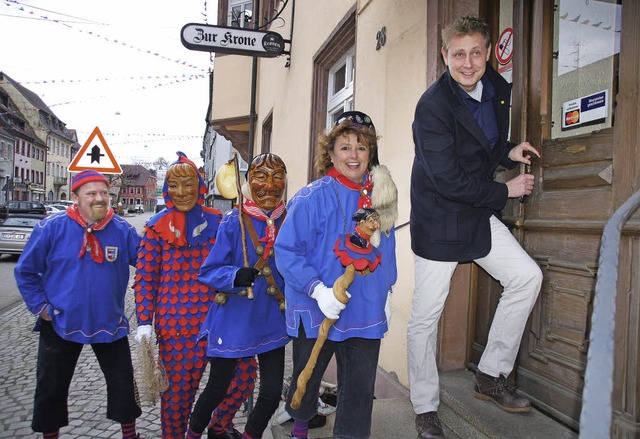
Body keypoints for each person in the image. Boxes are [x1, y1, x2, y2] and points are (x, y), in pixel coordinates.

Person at [408, 15, 544, 439]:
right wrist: (505, 190)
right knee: (425, 317)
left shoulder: (499, 89)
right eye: (459, 54)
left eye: (476, 52)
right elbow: (447, 177)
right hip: (440, 215)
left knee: (526, 277)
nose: (468, 63)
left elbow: (478, 144)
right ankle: (425, 408)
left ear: (487, 53)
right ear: (445, 56)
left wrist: (506, 151)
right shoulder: (431, 106)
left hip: (476, 209)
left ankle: (490, 375)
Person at [274, 111, 398, 439]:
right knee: (307, 381)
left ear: (370, 153)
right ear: (330, 153)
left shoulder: (380, 200)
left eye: (361, 148)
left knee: (358, 394)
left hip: (365, 308)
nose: (353, 156)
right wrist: (317, 290)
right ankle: (299, 432)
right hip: (317, 307)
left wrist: (386, 292)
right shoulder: (310, 197)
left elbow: (387, 250)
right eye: (345, 147)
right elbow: (286, 251)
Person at [133, 152, 257, 439]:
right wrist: (144, 323)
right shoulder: (155, 229)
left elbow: (236, 260)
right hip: (177, 326)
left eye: (188, 184)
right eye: (174, 186)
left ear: (199, 186)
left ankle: (218, 425)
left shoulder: (222, 221)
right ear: (166, 190)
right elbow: (145, 279)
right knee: (178, 397)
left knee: (244, 376)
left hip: (220, 318)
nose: (182, 192)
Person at [14, 169, 143, 439]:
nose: (100, 198)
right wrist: (41, 307)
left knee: (123, 385)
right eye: (92, 193)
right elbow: (25, 271)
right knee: (51, 387)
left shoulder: (122, 229)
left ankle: (130, 436)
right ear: (76, 197)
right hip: (60, 321)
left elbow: (148, 263)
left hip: (110, 322)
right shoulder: (51, 227)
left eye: (104, 193)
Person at [186, 153, 290, 439]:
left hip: (272, 319)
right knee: (217, 388)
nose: (270, 185)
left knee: (270, 393)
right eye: (261, 177)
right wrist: (233, 276)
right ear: (247, 181)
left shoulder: (290, 219)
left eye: (278, 176)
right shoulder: (234, 221)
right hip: (235, 316)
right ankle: (193, 434)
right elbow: (208, 271)